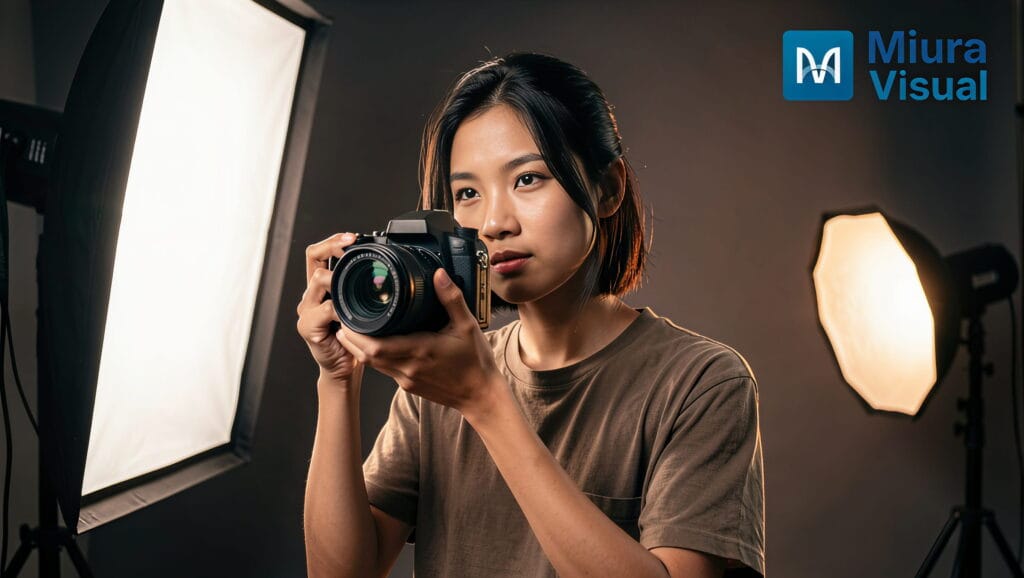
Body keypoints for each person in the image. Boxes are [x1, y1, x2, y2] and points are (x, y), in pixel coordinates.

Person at [298, 52, 765, 578]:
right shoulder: (443, 381)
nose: (494, 222)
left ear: (608, 188)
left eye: (528, 179)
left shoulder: (701, 382)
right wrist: (336, 380)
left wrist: (485, 403)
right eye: (468, 194)